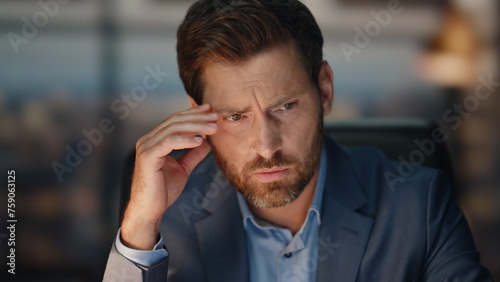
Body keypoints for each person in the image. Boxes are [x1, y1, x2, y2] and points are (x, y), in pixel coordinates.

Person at [103, 0, 493, 281]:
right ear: (197, 115)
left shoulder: (416, 204)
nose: (267, 146)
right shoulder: (168, 217)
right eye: (236, 116)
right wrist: (139, 225)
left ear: (324, 89)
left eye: (286, 106)